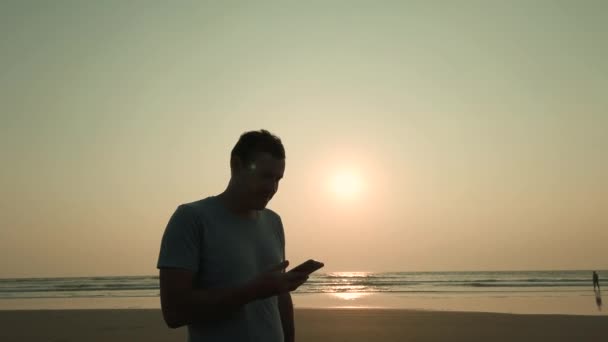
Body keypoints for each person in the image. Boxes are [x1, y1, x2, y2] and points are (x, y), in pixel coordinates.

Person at [157, 130, 309, 342]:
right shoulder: (191, 218)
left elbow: (280, 298)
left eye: (278, 179)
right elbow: (174, 312)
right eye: (265, 176)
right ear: (236, 166)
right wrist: (253, 291)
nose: (272, 188)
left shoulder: (273, 221)